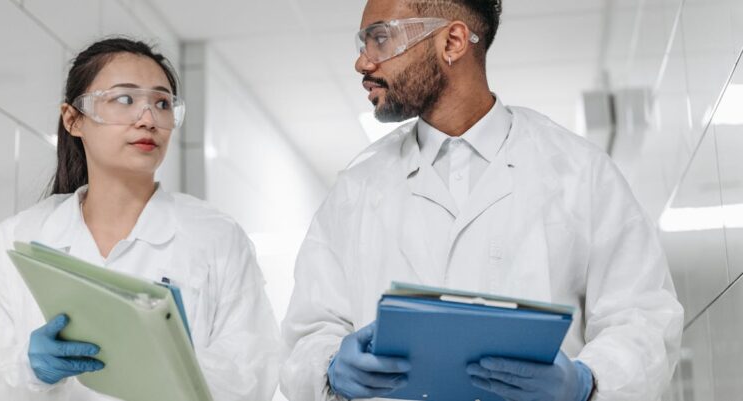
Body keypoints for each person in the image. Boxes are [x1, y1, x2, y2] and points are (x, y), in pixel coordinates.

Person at [280, 1, 684, 401]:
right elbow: (306, 335)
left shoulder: (580, 173)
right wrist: (330, 369)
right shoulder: (356, 189)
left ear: (453, 42)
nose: (363, 63)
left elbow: (644, 319)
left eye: (380, 38)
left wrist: (586, 382)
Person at [0, 38, 281, 401]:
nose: (148, 119)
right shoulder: (19, 238)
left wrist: (174, 367)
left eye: (162, 103)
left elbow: (254, 374)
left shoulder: (216, 237)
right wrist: (31, 370)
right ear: (73, 120)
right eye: (125, 99)